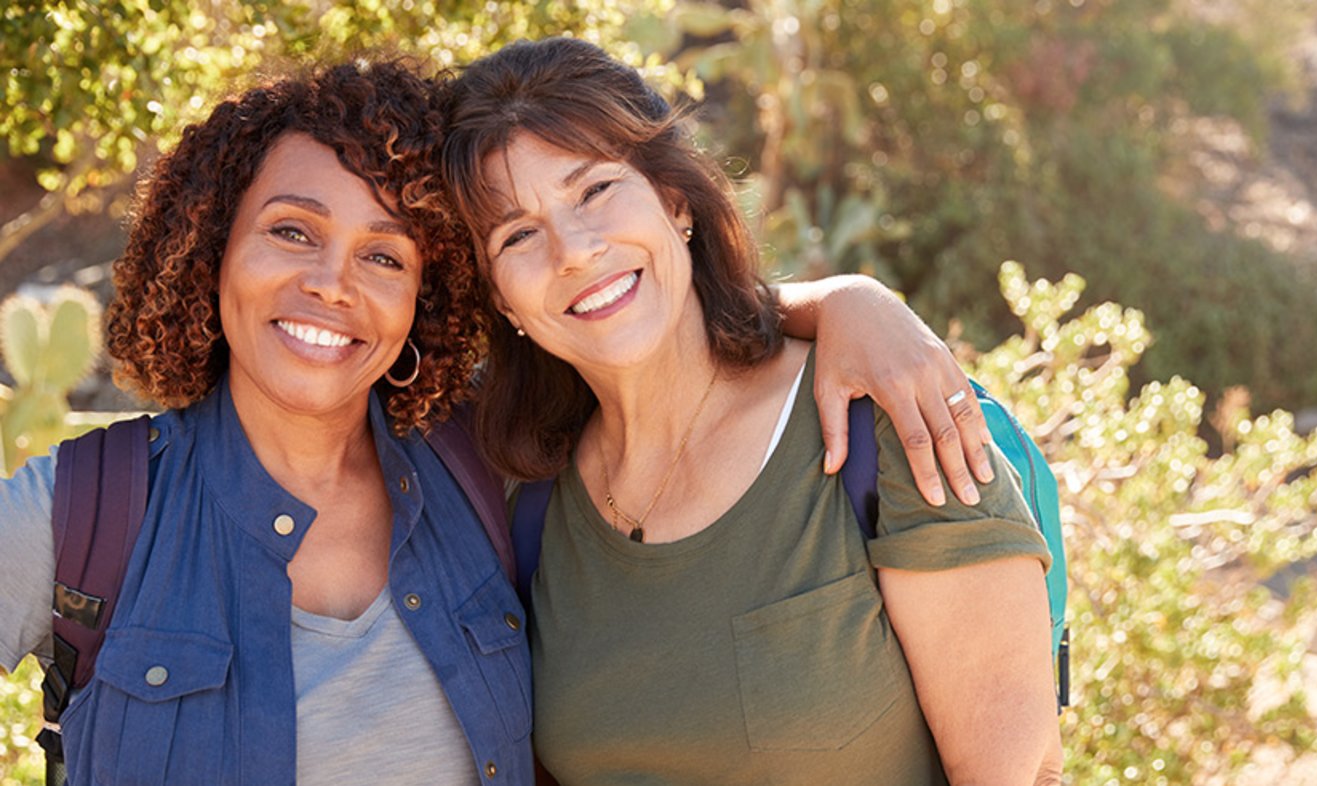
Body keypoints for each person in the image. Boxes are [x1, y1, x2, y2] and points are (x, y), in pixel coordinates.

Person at [0, 59, 998, 784]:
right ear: (211, 249)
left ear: (431, 296)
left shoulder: (486, 468)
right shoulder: (89, 512)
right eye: (291, 232)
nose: (330, 285)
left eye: (385, 257)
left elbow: (629, 318)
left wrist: (848, 302)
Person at [440, 37, 1064, 785]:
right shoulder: (521, 497)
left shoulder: (883, 421)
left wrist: (854, 298)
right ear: (501, 299)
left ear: (676, 203)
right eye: (517, 234)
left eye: (596, 191)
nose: (573, 250)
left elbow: (1018, 772)